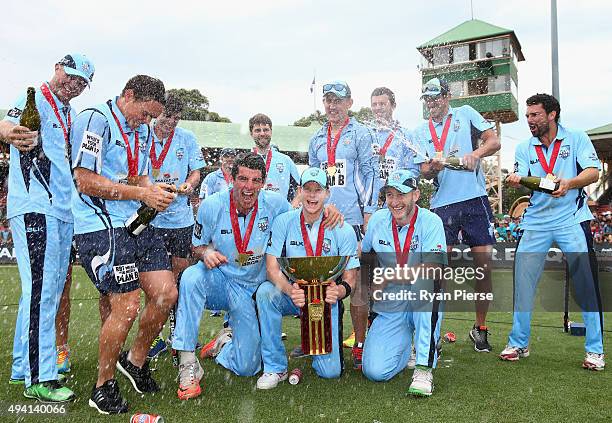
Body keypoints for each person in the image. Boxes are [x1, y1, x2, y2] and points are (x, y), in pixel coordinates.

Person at [71, 75, 177, 414]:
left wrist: (155, 191)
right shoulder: (95, 119)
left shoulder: (143, 128)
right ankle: (102, 386)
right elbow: (85, 180)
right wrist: (141, 193)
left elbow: (138, 175)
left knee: (166, 293)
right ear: (128, 95)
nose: (145, 123)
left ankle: (134, 360)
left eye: (150, 118)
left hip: (134, 220)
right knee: (127, 304)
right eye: (143, 114)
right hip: (98, 223)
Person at [0, 53, 95, 402]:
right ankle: (41, 379)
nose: (74, 85)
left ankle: (22, 367)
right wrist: (13, 134)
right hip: (36, 208)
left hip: (60, 210)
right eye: (70, 76)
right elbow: (6, 125)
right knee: (42, 291)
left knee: (44, 292)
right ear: (57, 69)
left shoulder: (67, 112)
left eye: (81, 83)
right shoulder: (35, 98)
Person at [172, 152, 291, 400]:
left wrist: (329, 211)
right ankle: (187, 363)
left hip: (253, 289)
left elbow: (301, 221)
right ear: (231, 178)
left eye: (255, 180)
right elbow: (197, 245)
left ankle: (223, 345)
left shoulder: (277, 205)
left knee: (248, 367)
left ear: (263, 182)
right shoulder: (212, 205)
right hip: (222, 281)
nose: (249, 187)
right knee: (192, 277)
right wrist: (206, 253)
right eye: (243, 179)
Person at [501, 93, 605, 370]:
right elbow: (522, 177)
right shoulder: (524, 147)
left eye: (534, 115)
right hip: (535, 222)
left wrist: (569, 183)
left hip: (571, 219)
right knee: (523, 286)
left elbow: (593, 172)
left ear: (552, 114)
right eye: (527, 116)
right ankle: (518, 343)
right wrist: (516, 180)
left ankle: (595, 351)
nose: (529, 120)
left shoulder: (577, 138)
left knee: (586, 286)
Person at [414, 77, 500, 353]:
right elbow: (423, 172)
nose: (432, 103)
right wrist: (434, 168)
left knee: (483, 267)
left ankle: (480, 328)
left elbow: (494, 141)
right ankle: (434, 333)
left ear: (447, 96)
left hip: (475, 200)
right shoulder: (420, 130)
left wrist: (476, 153)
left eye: (436, 97)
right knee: (437, 270)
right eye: (427, 99)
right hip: (442, 205)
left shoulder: (465, 114)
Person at [255, 167, 359, 389]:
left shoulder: (343, 228)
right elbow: (271, 268)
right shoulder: (284, 222)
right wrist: (289, 290)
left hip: (325, 300)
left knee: (330, 373)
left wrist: (340, 292)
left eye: (318, 190)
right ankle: (275, 366)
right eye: (308, 189)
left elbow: (351, 276)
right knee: (265, 292)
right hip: (293, 295)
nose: (312, 195)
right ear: (300, 191)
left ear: (327, 193)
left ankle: (313, 346)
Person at [308, 80, 378, 369]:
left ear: (350, 102)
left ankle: (360, 343)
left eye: (338, 100)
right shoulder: (316, 138)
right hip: (323, 222)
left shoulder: (361, 133)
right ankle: (321, 340)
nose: (333, 105)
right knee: (322, 282)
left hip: (353, 220)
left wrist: (368, 216)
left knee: (359, 286)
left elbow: (371, 175)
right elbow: (313, 180)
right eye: (328, 100)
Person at [361, 169, 446, 396]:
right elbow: (365, 255)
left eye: (402, 195)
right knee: (375, 372)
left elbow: (433, 269)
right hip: (392, 301)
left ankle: (424, 367)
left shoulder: (431, 221)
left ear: (415, 195)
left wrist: (388, 276)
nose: (395, 202)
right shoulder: (378, 219)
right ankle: (407, 343)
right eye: (390, 195)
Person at [148, 93, 206, 358]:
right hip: (149, 218)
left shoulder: (187, 138)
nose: (171, 122)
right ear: (156, 112)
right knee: (153, 282)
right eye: (166, 116)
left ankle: (179, 334)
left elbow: (196, 171)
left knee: (180, 279)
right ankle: (152, 337)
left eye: (176, 117)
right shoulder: (142, 134)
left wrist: (190, 184)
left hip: (180, 221)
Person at [249, 113, 300, 204]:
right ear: (251, 133)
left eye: (266, 130)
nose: (262, 133)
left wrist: (291, 209)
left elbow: (300, 189)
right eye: (257, 130)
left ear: (271, 132)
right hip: (253, 215)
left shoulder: (286, 160)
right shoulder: (245, 160)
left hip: (280, 215)